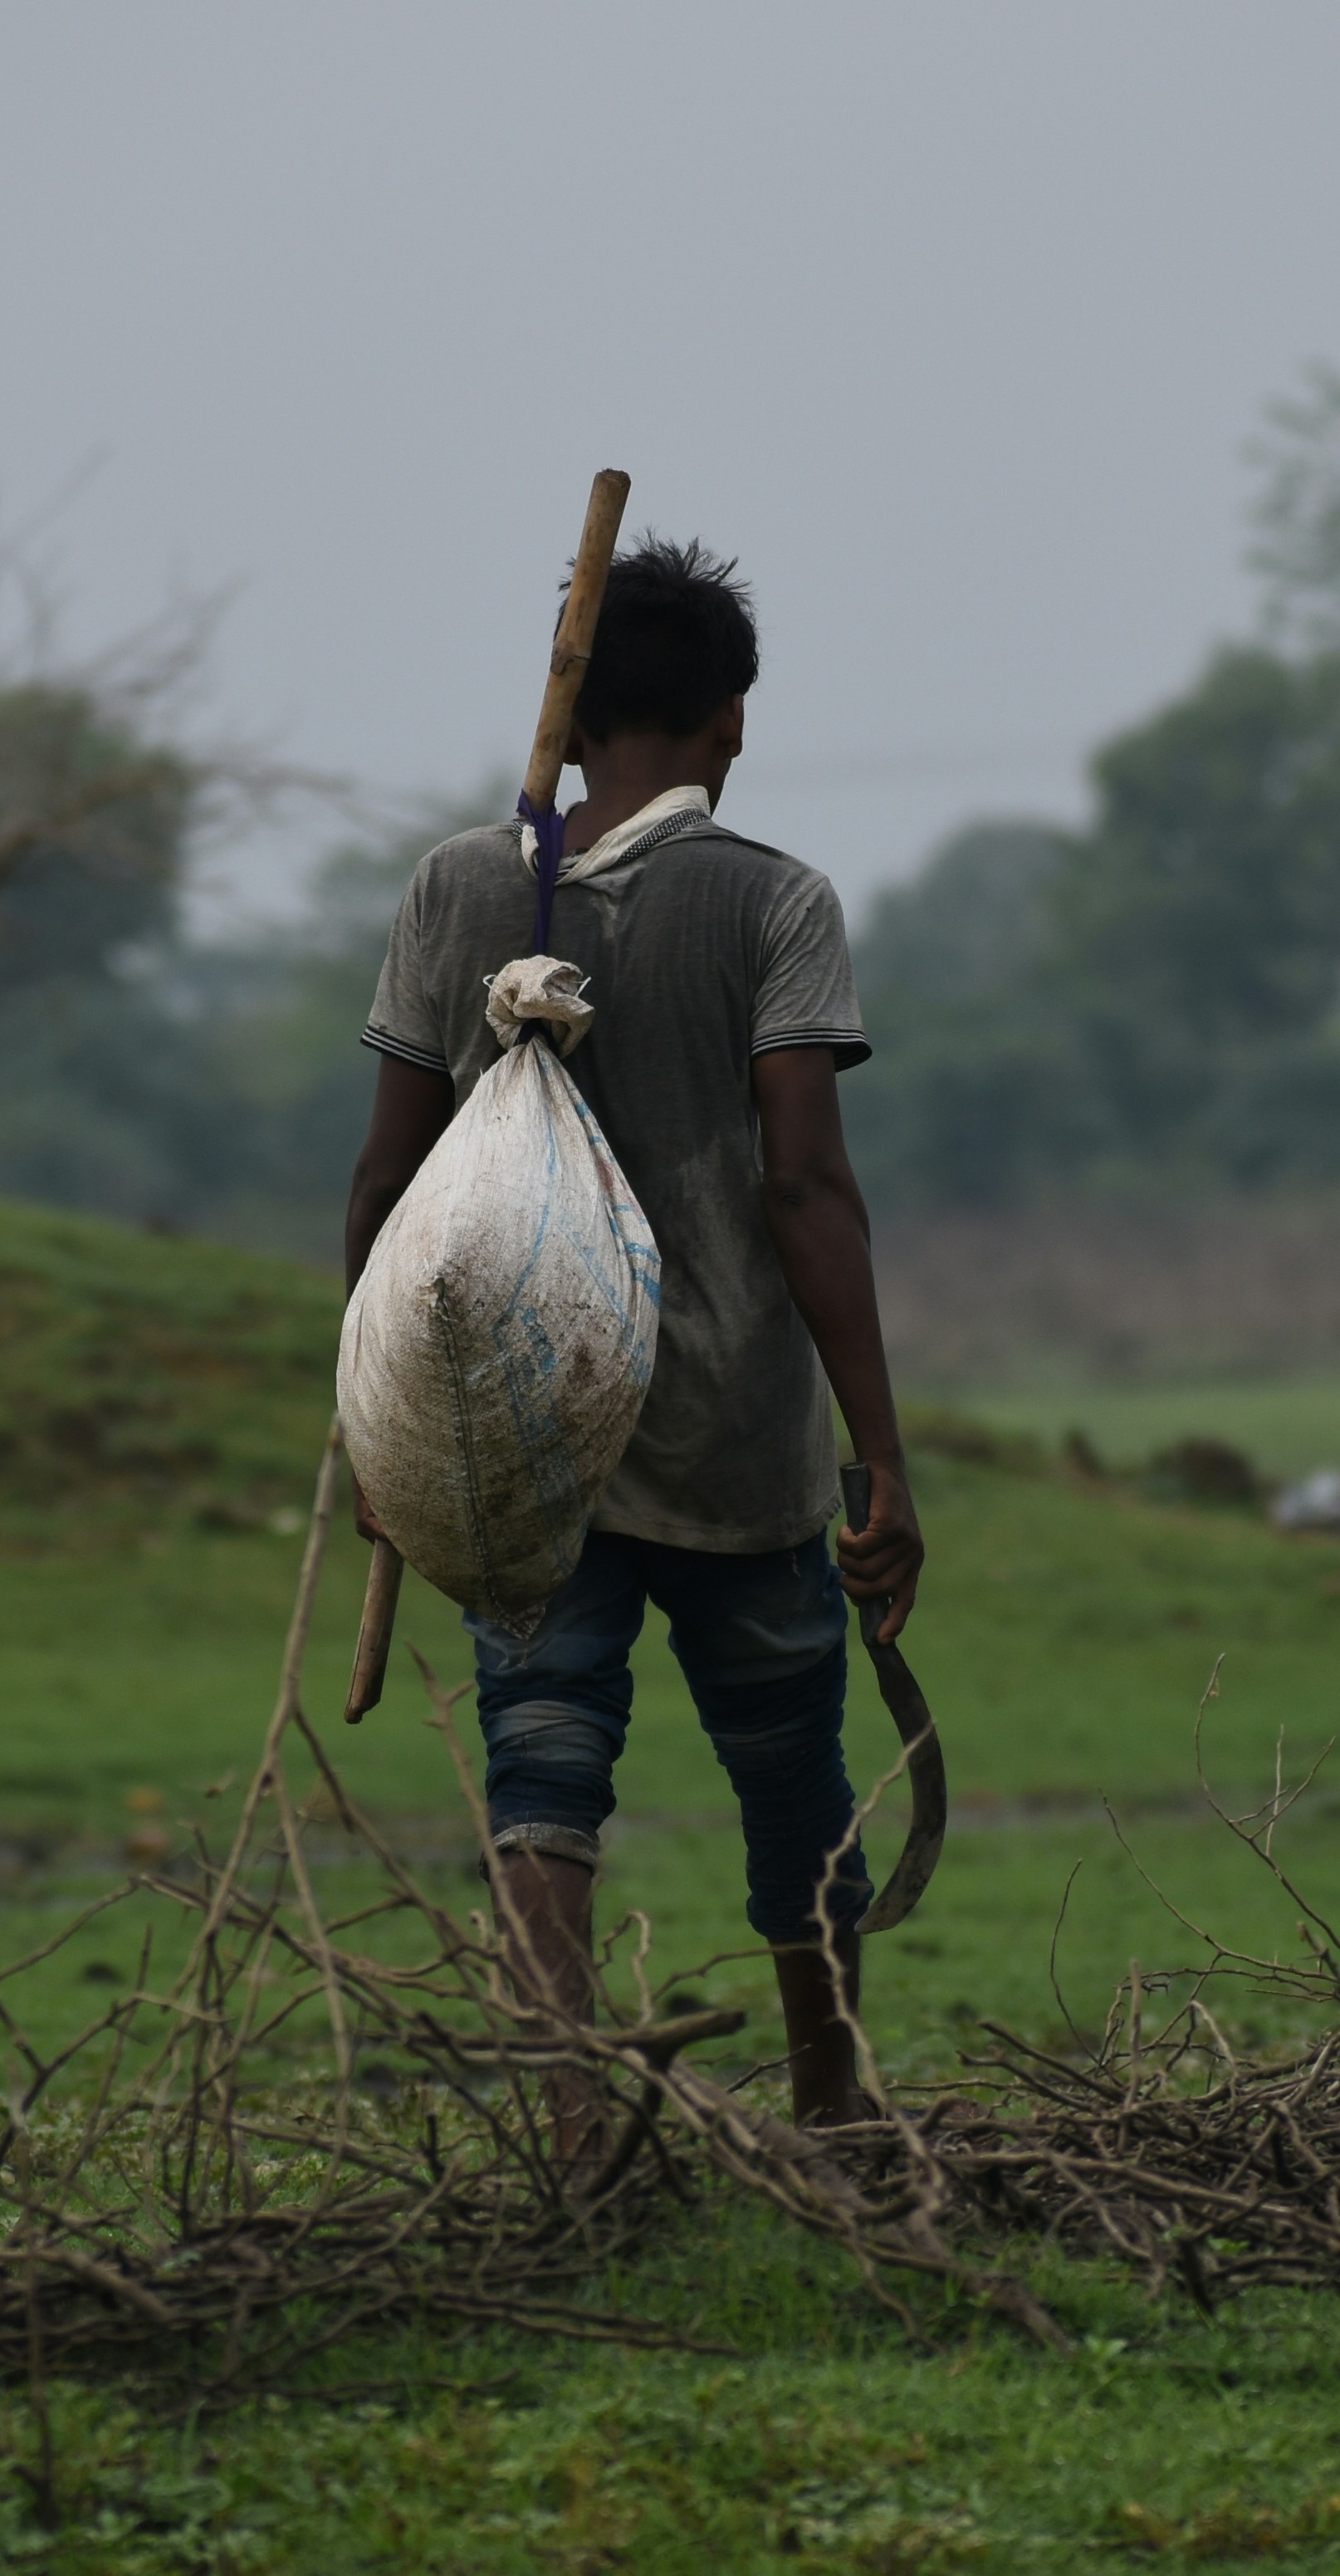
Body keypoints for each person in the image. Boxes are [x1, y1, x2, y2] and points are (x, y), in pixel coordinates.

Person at [340, 534, 924, 2133]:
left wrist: (381, 1428)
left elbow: (388, 1183)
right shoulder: (776, 901)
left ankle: (571, 2126)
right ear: (731, 722)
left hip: (513, 1438)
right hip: (736, 1432)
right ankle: (836, 2113)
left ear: (573, 707)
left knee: (543, 1765)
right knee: (793, 1775)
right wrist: (879, 1454)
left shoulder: (458, 888)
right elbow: (806, 1186)